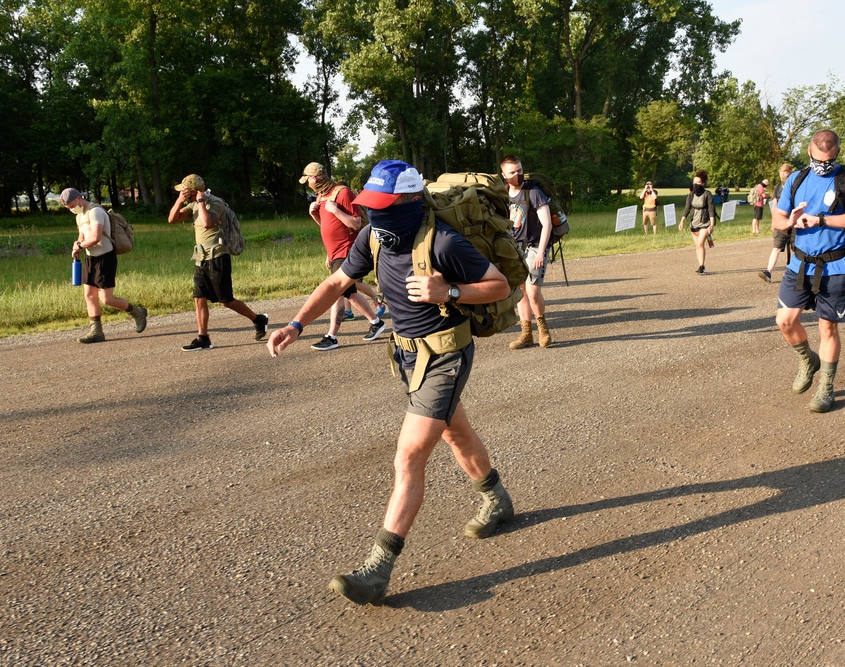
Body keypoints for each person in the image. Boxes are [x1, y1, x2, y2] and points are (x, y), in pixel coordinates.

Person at [267, 160, 514, 606]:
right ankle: (496, 498)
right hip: (405, 354)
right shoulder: (374, 237)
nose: (374, 215)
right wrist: (296, 324)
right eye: (370, 205)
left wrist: (451, 293)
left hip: (445, 356)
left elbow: (498, 285)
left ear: (410, 202)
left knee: (409, 457)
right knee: (456, 433)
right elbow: (339, 280)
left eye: (382, 206)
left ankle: (377, 570)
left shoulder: (443, 241)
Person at [771, 129, 845, 413]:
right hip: (799, 263)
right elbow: (776, 220)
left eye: (828, 160)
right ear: (809, 151)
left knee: (827, 326)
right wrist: (789, 220)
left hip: (837, 265)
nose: (822, 165)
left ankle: (826, 386)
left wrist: (821, 219)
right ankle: (807, 359)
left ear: (837, 152)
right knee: (785, 321)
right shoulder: (797, 178)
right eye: (818, 159)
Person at [167, 174, 268, 351]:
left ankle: (258, 319)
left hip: (218, 257)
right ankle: (203, 338)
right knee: (199, 298)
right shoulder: (192, 204)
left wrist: (200, 202)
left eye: (184, 190)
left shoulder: (216, 203)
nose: (182, 192)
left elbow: (207, 223)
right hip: (201, 258)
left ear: (194, 190)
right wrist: (179, 201)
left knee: (225, 300)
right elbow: (172, 219)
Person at [300, 162, 386, 350]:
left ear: (315, 178)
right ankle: (376, 322)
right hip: (335, 252)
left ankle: (332, 336)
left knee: (338, 291)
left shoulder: (343, 193)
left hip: (348, 249)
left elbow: (355, 224)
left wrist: (335, 209)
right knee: (350, 292)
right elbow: (330, 226)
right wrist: (315, 215)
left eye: (308, 180)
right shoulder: (322, 196)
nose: (308, 184)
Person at [60, 188, 148, 343]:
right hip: (90, 259)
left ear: (79, 198)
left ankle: (138, 312)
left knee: (106, 299)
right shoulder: (80, 216)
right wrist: (77, 245)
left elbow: (95, 237)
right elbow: (82, 236)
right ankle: (96, 332)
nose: (72, 209)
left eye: (72, 205)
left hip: (105, 258)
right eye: (69, 208)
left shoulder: (96, 212)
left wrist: (81, 246)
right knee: (89, 295)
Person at [500, 154, 554, 348]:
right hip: (514, 248)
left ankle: (543, 329)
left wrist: (540, 252)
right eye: (513, 172)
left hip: (534, 245)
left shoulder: (533, 192)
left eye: (520, 170)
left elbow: (546, 224)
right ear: (504, 174)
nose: (517, 175)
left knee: (532, 291)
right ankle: (526, 334)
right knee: (520, 290)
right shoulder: (503, 194)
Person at [758, 164, 795, 283]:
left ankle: (798, 273)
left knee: (798, 249)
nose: (784, 174)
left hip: (795, 222)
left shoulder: (797, 186)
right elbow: (775, 204)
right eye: (782, 172)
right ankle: (768, 271)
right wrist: (774, 221)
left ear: (791, 172)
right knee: (777, 247)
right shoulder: (778, 187)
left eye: (787, 172)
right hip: (781, 221)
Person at [679, 169, 716, 275]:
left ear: (703, 183)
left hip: (705, 222)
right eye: (694, 182)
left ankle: (702, 267)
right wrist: (682, 221)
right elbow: (687, 208)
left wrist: (712, 224)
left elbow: (711, 210)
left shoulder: (707, 194)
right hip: (694, 222)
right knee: (697, 246)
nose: (695, 184)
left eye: (698, 182)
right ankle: (701, 264)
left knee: (700, 244)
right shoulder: (691, 195)